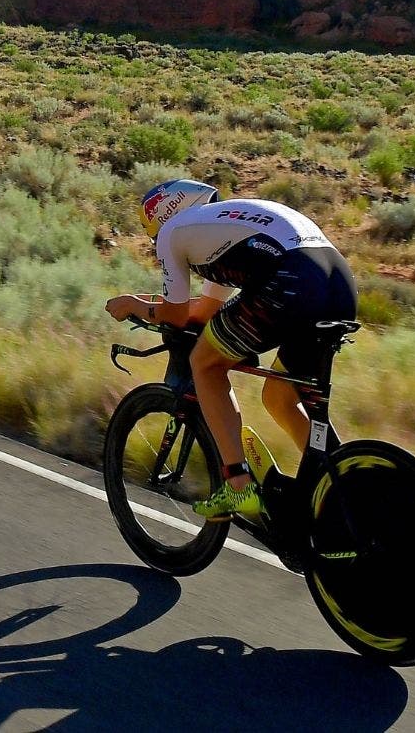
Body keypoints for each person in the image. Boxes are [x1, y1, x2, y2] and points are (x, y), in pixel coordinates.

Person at [104, 179, 358, 524]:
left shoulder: (173, 232)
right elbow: (207, 308)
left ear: (162, 218)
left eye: (152, 236)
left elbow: (176, 315)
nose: (155, 243)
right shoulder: (223, 224)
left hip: (292, 281)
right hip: (337, 282)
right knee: (279, 397)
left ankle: (237, 483)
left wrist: (134, 304)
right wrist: (154, 305)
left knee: (205, 363)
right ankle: (343, 487)